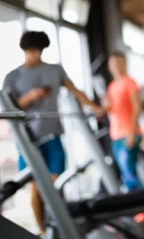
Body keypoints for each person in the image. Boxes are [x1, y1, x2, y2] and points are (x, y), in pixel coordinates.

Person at [2, 31, 104, 236]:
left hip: (53, 134)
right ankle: (42, 231)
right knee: (37, 188)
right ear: (25, 50)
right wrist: (30, 97)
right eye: (32, 51)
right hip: (28, 139)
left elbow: (75, 90)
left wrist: (95, 107)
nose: (36, 55)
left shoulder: (55, 70)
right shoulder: (12, 77)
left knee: (57, 184)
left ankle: (61, 225)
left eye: (39, 51)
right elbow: (7, 109)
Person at [103, 52, 144, 224]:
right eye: (113, 63)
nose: (116, 66)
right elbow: (110, 110)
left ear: (125, 64)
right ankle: (139, 207)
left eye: (119, 62)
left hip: (128, 133)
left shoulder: (130, 83)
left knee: (130, 174)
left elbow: (138, 107)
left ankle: (143, 209)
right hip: (116, 133)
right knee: (126, 173)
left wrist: (132, 132)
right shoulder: (112, 86)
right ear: (109, 66)